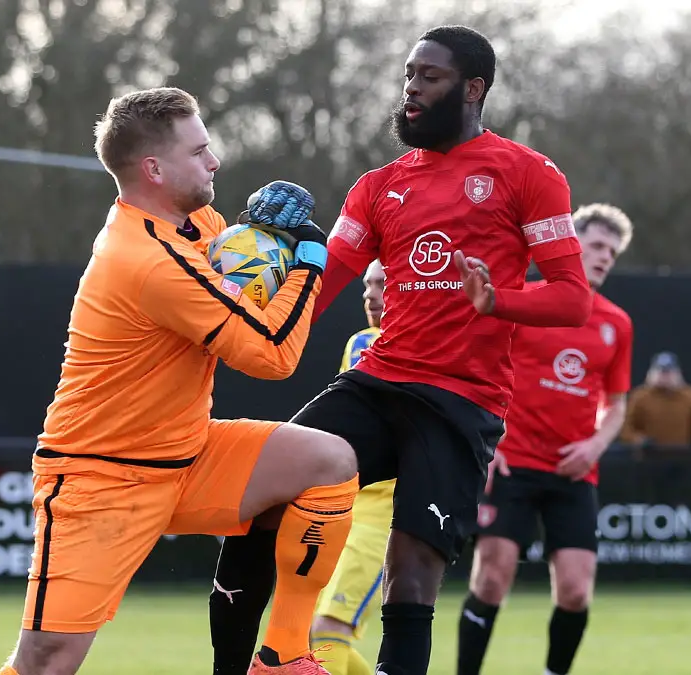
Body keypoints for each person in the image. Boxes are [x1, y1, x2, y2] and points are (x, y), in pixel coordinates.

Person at [209, 25, 592, 675]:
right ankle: (249, 666)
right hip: (378, 382)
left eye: (430, 76)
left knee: (411, 572)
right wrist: (236, 311)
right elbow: (323, 283)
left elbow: (572, 298)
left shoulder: (529, 174)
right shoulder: (377, 184)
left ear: (473, 89)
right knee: (258, 495)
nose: (412, 87)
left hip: (459, 403)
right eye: (409, 74)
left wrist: (498, 300)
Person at [0, 87, 360, 675]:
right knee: (47, 661)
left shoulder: (196, 224)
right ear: (153, 169)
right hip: (100, 476)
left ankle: (283, 654)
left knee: (328, 461)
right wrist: (310, 259)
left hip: (184, 453)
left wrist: (265, 235)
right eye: (199, 150)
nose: (214, 161)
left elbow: (236, 266)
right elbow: (271, 354)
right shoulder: (147, 259)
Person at [455, 204, 635, 675]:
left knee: (576, 592)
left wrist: (595, 445)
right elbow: (479, 372)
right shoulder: (525, 299)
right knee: (492, 580)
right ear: (573, 246)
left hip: (573, 472)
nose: (605, 257)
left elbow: (616, 406)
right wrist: (486, 442)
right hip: (512, 464)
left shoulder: (618, 323)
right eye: (596, 245)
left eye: (612, 252)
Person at [309, 260, 390, 675]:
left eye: (383, 284)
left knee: (326, 632)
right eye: (367, 285)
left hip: (385, 514)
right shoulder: (361, 341)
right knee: (316, 634)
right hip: (344, 503)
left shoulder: (428, 348)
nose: (370, 295)